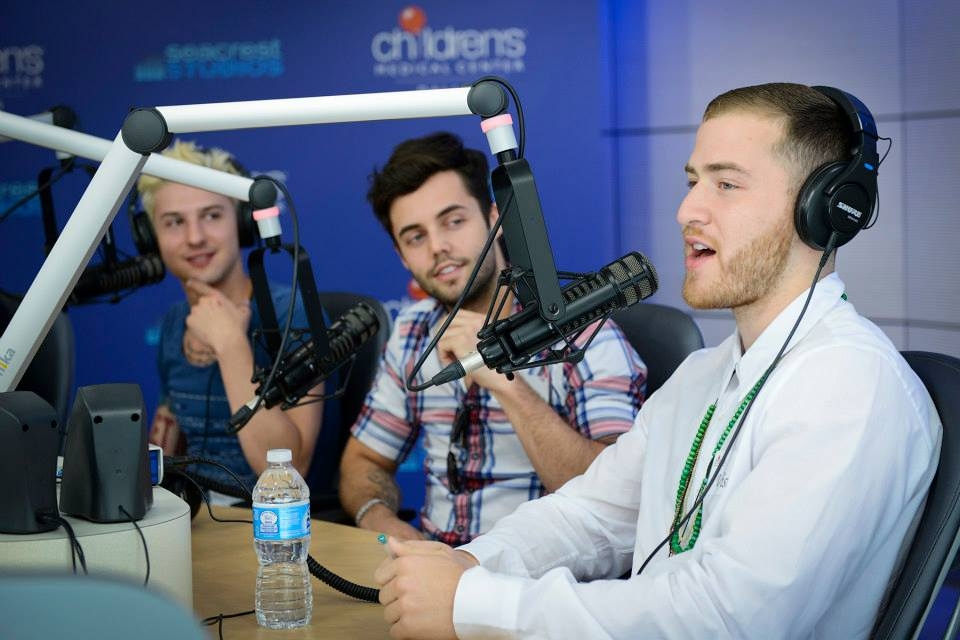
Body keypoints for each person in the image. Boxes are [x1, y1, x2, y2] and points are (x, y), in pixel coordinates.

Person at [372, 84, 943, 639]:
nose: (686, 210)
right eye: (694, 182)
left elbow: (729, 618)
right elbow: (590, 516)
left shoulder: (850, 387)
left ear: (824, 209)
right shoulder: (704, 376)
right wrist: (464, 568)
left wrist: (477, 603)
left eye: (726, 184)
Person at [339, 132, 646, 545]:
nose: (439, 248)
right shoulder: (414, 332)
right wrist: (384, 525)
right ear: (401, 255)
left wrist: (506, 385)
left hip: (536, 586)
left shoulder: (585, 332)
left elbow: (615, 498)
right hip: (430, 573)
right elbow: (363, 461)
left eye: (454, 221)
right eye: (415, 237)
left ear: (494, 218)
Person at [142, 140, 337, 497]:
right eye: (174, 222)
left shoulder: (290, 312)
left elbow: (287, 473)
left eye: (212, 215)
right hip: (197, 524)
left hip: (274, 525)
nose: (195, 237)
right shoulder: (175, 321)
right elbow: (165, 447)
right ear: (148, 237)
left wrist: (231, 344)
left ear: (242, 223)